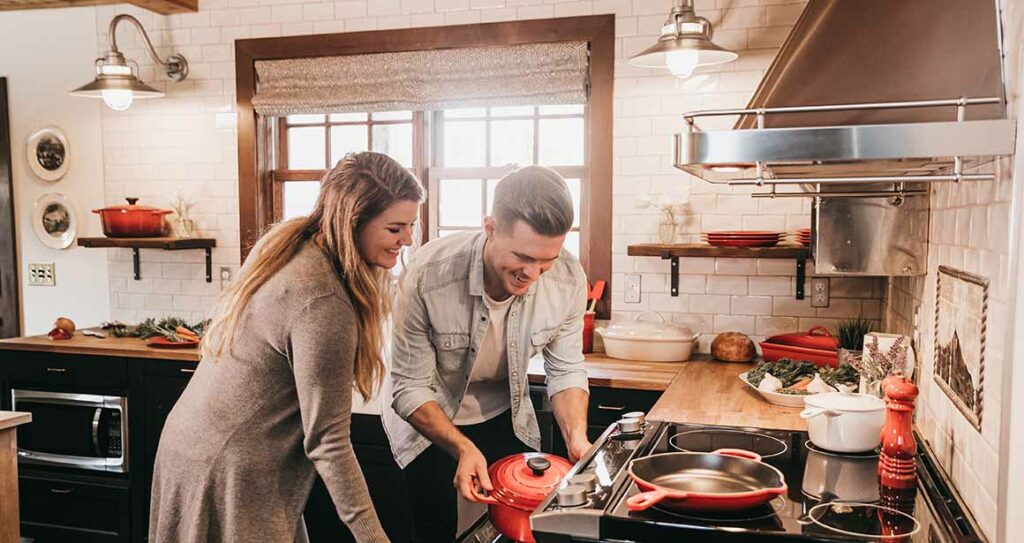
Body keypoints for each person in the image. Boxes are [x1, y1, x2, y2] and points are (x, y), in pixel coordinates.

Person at [149, 152, 424, 543]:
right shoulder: (323, 298)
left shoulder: (296, 247)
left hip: (196, 449)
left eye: (411, 225)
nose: (408, 240)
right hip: (229, 468)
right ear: (352, 222)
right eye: (396, 228)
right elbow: (328, 442)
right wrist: (373, 538)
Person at [383, 165, 591, 542]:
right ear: (490, 228)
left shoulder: (568, 278)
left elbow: (566, 369)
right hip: (429, 417)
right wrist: (463, 447)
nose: (533, 276)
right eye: (523, 258)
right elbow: (409, 387)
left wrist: (577, 437)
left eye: (546, 261)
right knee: (434, 529)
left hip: (506, 414)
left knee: (525, 527)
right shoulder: (429, 274)